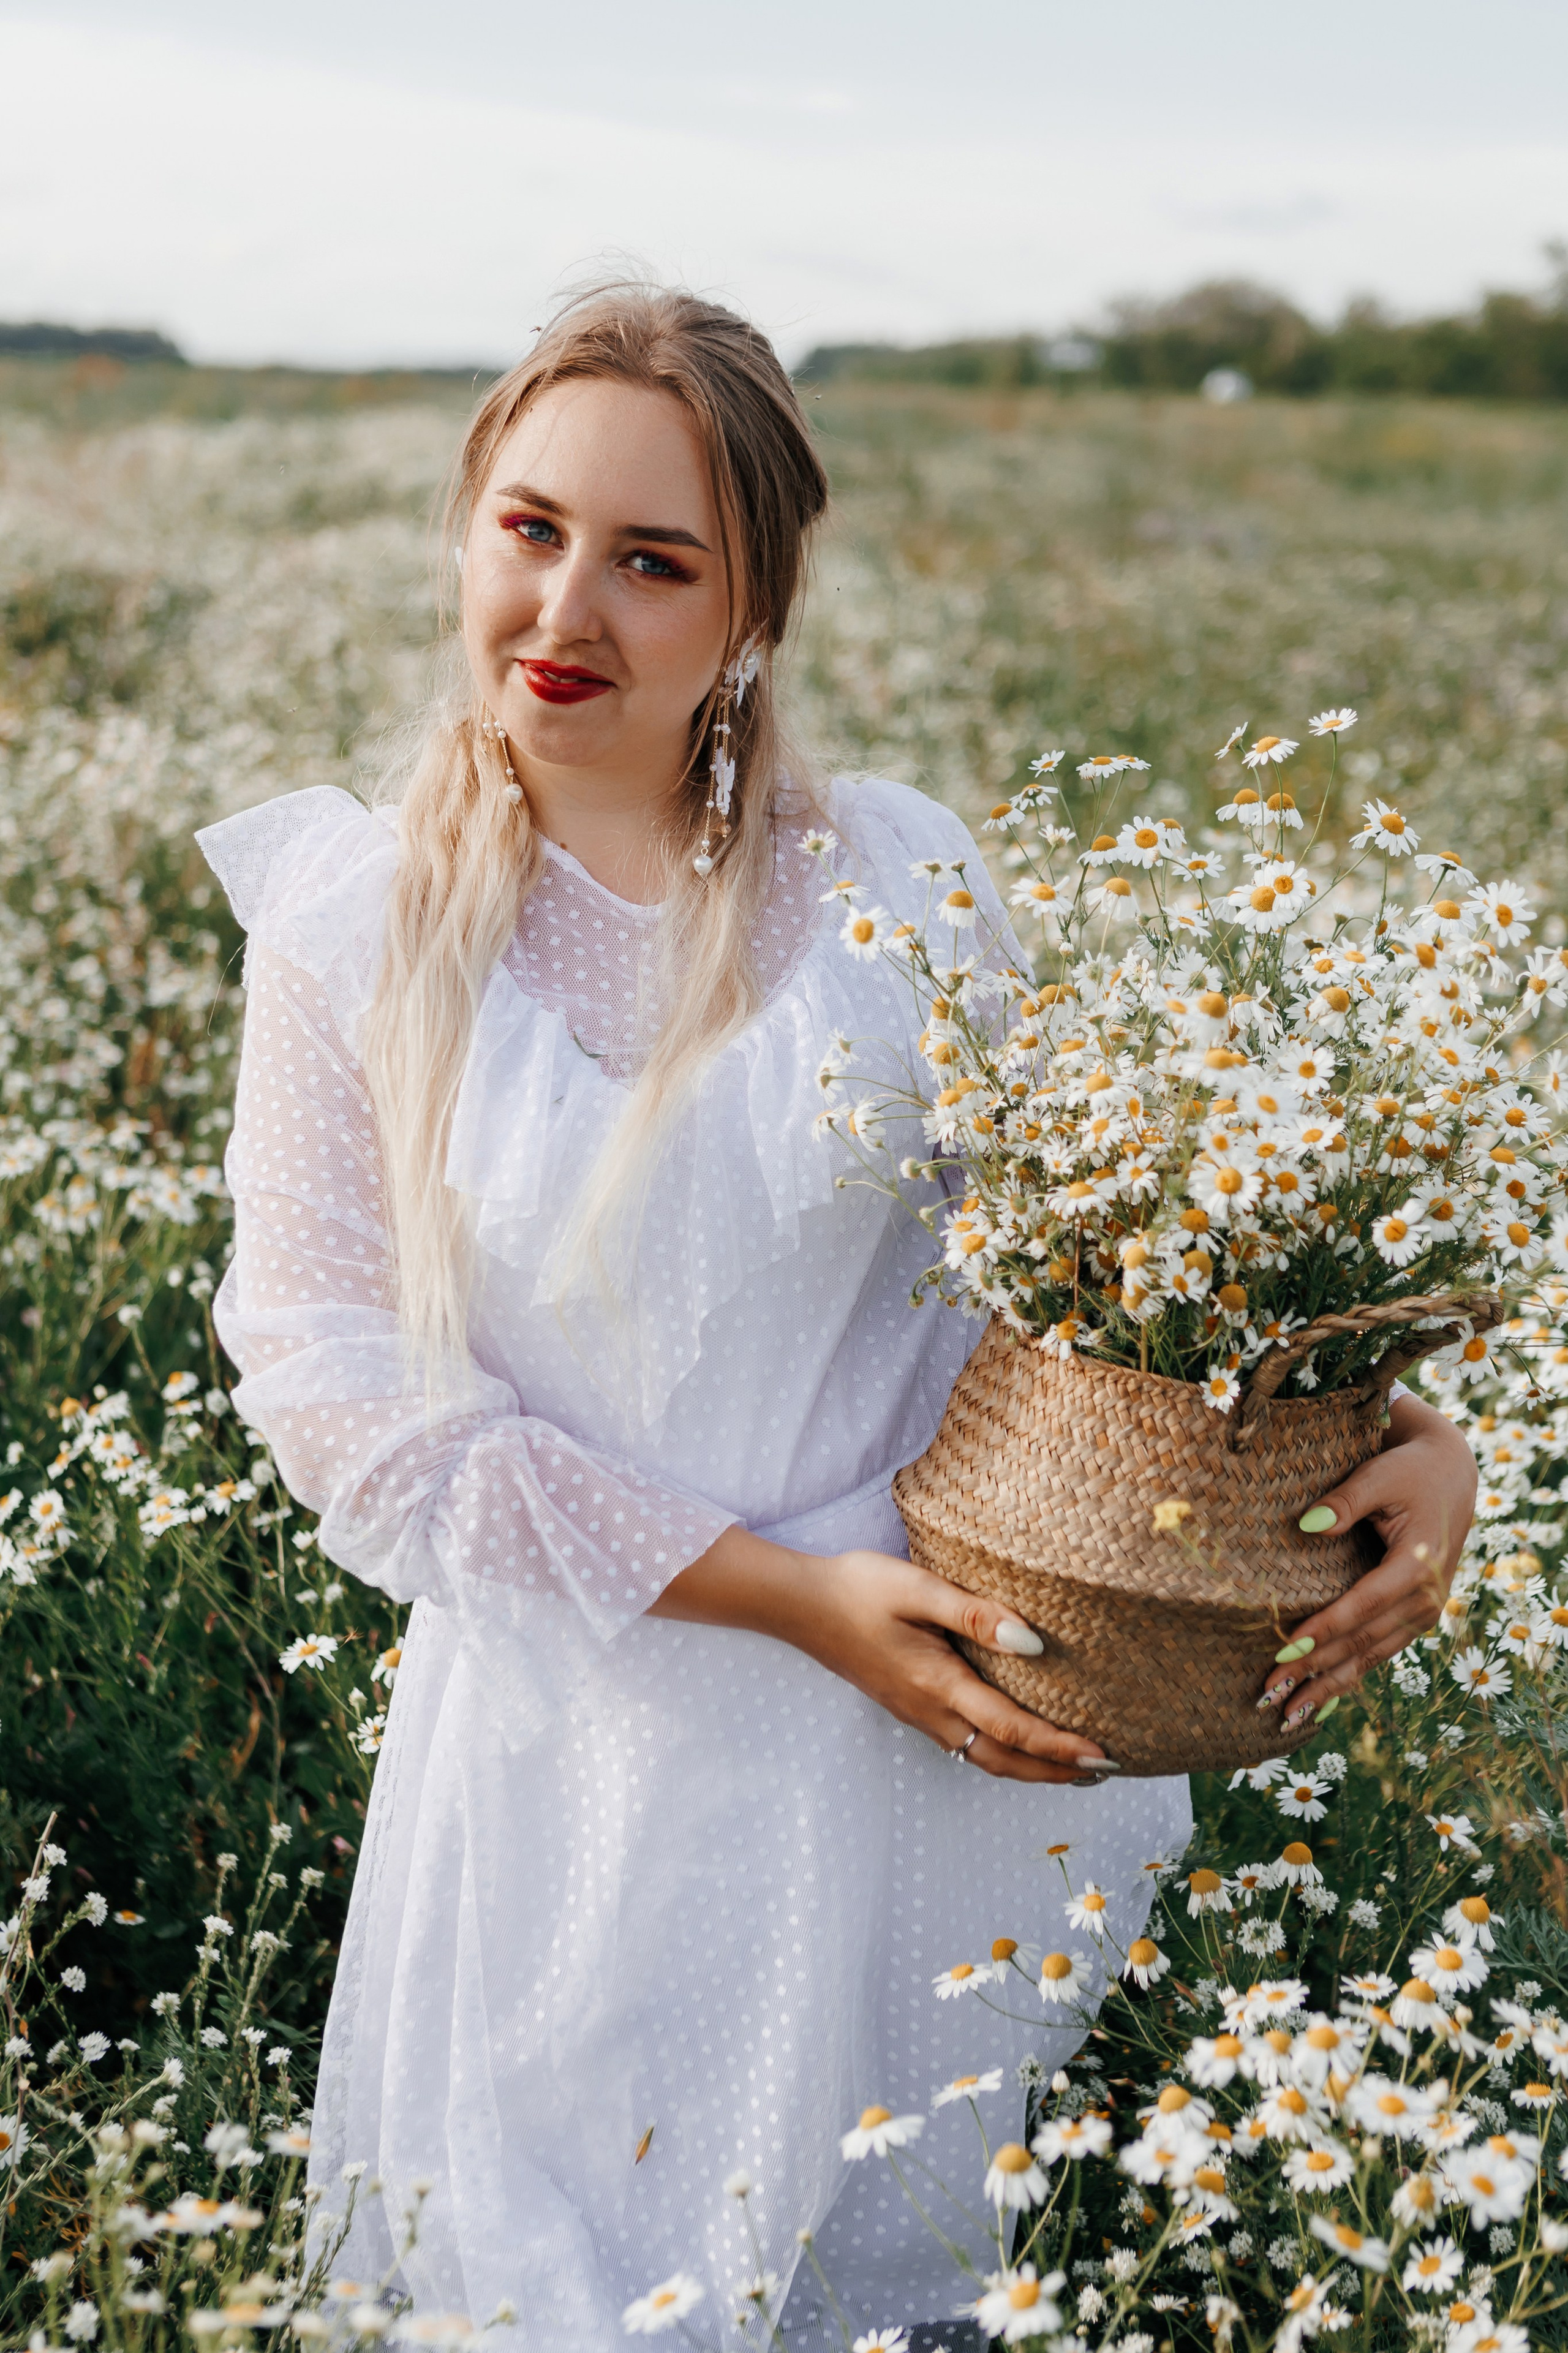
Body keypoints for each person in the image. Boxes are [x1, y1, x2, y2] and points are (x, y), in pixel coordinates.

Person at [197, 284, 1478, 2348]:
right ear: (465, 526)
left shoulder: (900, 879)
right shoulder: (362, 928)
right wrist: (792, 1599)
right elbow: (347, 1405)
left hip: (918, 1768)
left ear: (756, 607)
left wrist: (1396, 1433)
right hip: (586, 1769)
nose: (567, 607)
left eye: (654, 560)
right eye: (530, 528)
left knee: (891, 2283)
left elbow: (1103, 1277)